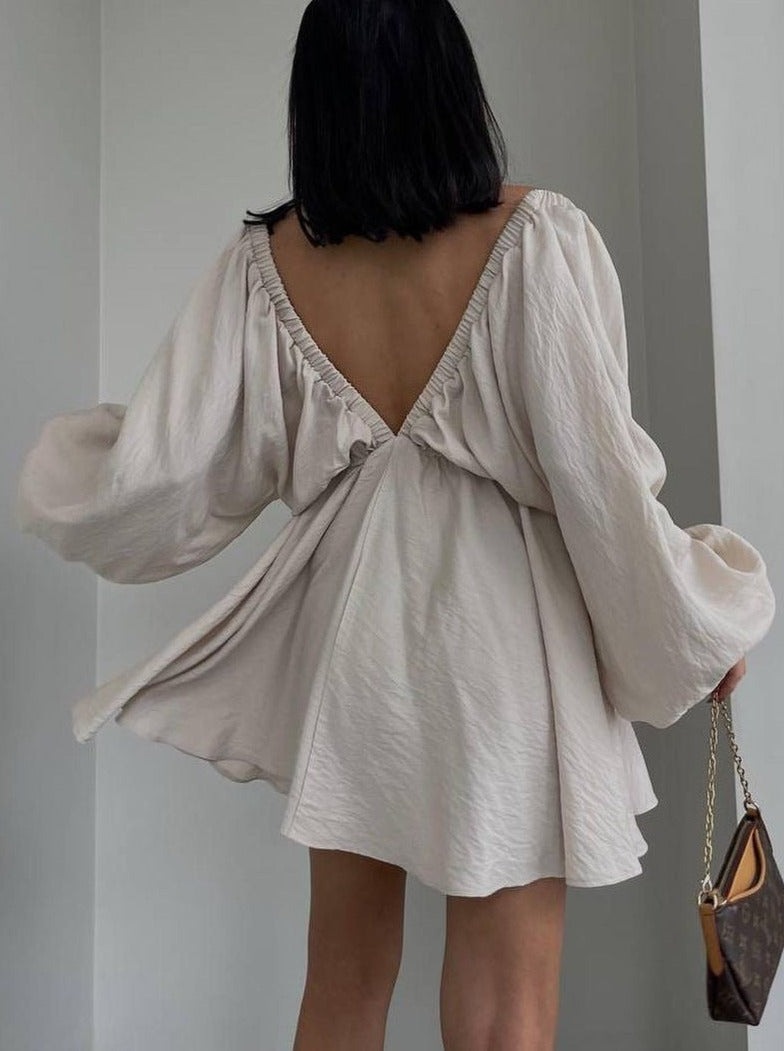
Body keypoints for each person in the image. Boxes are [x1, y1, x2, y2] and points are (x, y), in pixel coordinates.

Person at [14, 1, 775, 1048]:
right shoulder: (532, 238)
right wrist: (695, 618)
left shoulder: (270, 263)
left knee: (343, 979)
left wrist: (66, 472)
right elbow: (599, 480)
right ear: (448, 81)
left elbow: (175, 457)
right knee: (506, 1009)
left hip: (354, 636)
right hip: (504, 646)